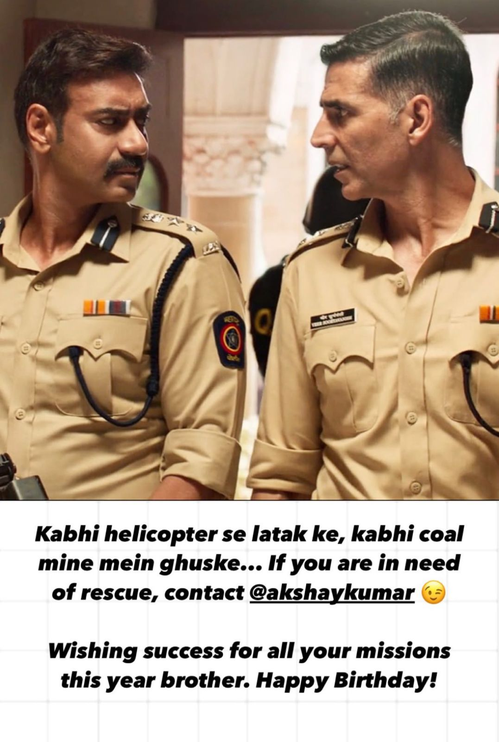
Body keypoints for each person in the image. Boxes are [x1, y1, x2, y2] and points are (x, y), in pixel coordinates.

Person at [248, 10, 499, 500]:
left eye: (340, 113)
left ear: (416, 119)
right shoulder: (310, 272)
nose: (319, 135)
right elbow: (281, 480)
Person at [0, 28, 246, 500]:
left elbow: (203, 461)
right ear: (41, 128)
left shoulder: (181, 260)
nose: (137, 143)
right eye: (111, 122)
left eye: (141, 121)